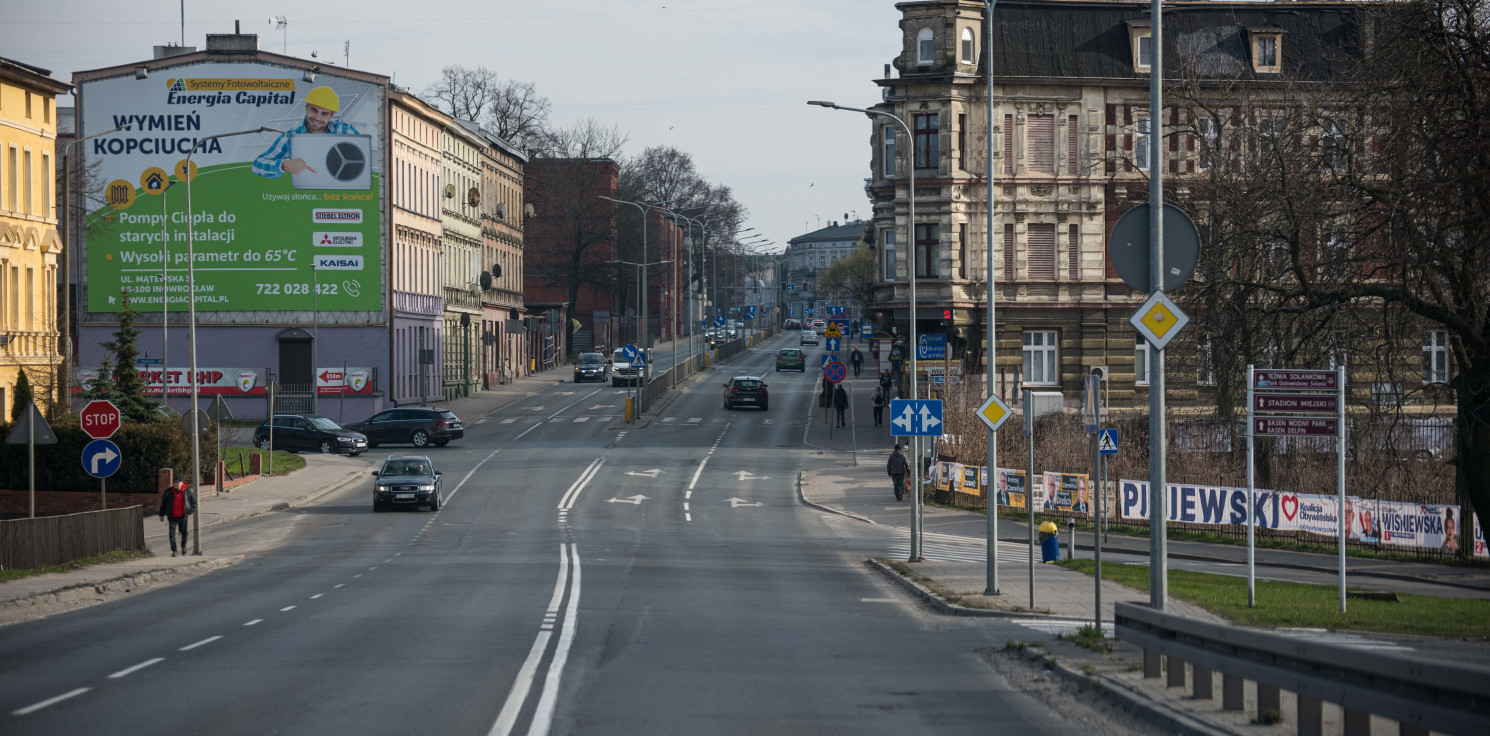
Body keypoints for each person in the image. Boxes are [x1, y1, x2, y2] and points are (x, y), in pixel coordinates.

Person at [253, 86, 362, 179]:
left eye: (324, 113)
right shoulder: (291, 137)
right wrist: (284, 164)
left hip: (341, 192)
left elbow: (364, 156)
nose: (317, 118)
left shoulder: (343, 130)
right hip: (307, 196)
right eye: (314, 110)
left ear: (331, 115)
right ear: (306, 107)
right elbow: (258, 165)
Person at [158, 479, 196, 557]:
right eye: (175, 483)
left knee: (184, 533)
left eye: (178, 483)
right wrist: (161, 515)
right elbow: (163, 503)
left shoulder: (187, 491)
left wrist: (189, 511)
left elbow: (193, 503)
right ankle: (174, 550)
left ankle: (183, 546)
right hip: (172, 516)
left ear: (182, 483)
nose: (176, 484)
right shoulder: (169, 492)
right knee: (171, 534)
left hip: (183, 516)